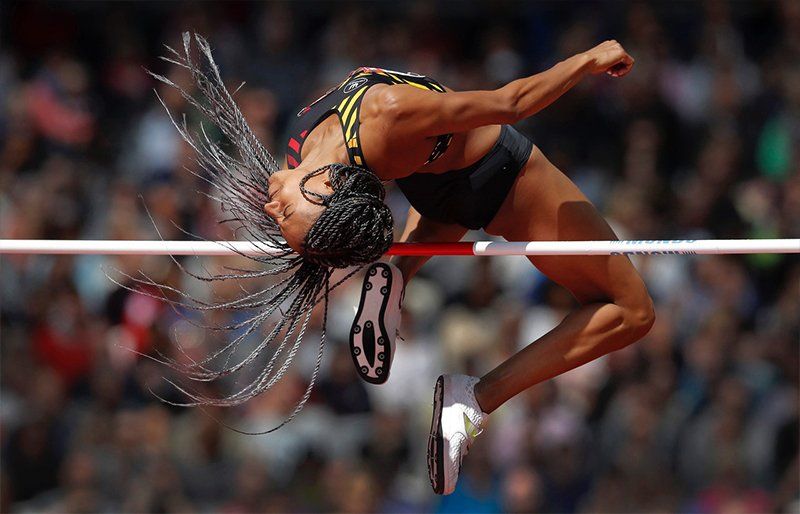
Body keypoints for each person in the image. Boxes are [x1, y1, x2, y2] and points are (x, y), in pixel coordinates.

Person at [152, 33, 654, 496]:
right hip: (504, 182)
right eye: (284, 215)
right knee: (632, 311)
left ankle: (397, 272)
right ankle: (475, 396)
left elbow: (512, 101)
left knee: (622, 308)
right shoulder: (322, 152)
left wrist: (583, 63)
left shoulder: (381, 119)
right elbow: (507, 107)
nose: (267, 206)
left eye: (281, 214)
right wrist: (591, 57)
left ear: (328, 186)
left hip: (436, 196)